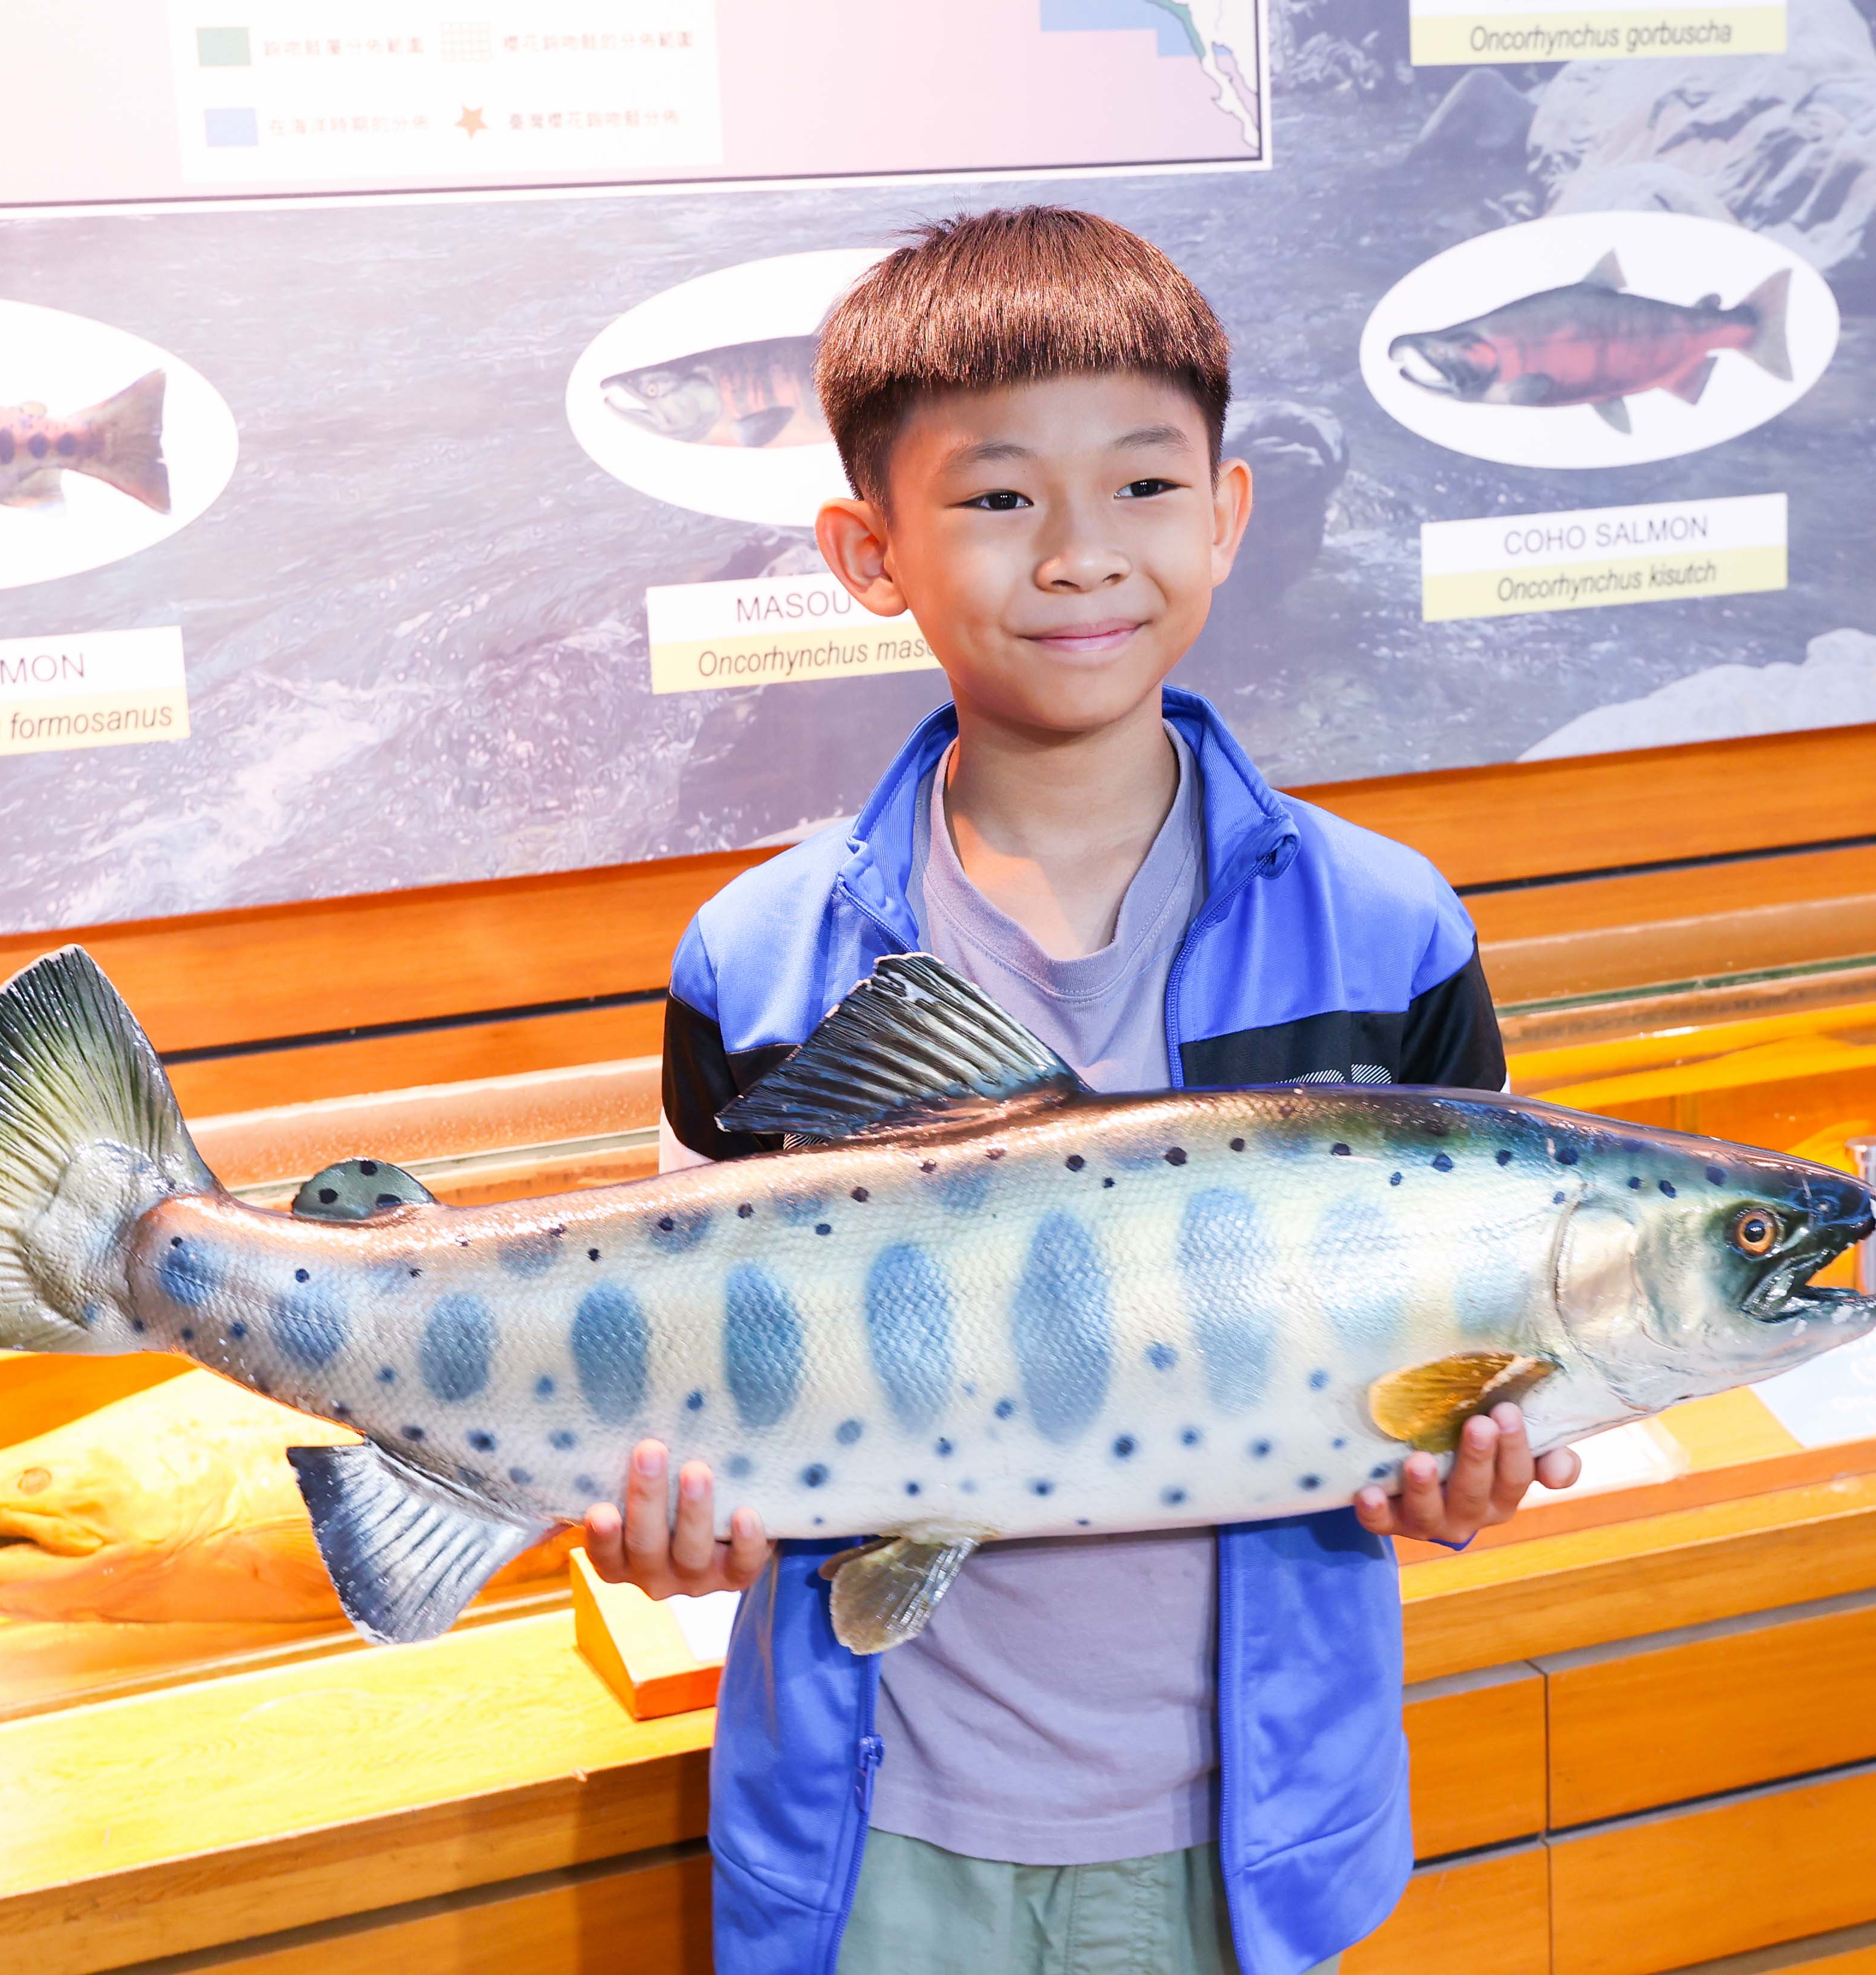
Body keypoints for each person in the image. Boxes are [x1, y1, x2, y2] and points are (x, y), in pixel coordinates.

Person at [586, 206, 1579, 1975]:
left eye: (1140, 486)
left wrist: (1462, 1471)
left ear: (1229, 514)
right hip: (873, 1833)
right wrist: (664, 1526)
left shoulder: (1390, 928)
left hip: (1251, 1834)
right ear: (865, 548)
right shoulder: (756, 960)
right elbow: (675, 1365)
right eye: (993, 499)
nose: (1076, 557)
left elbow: (1464, 1356)